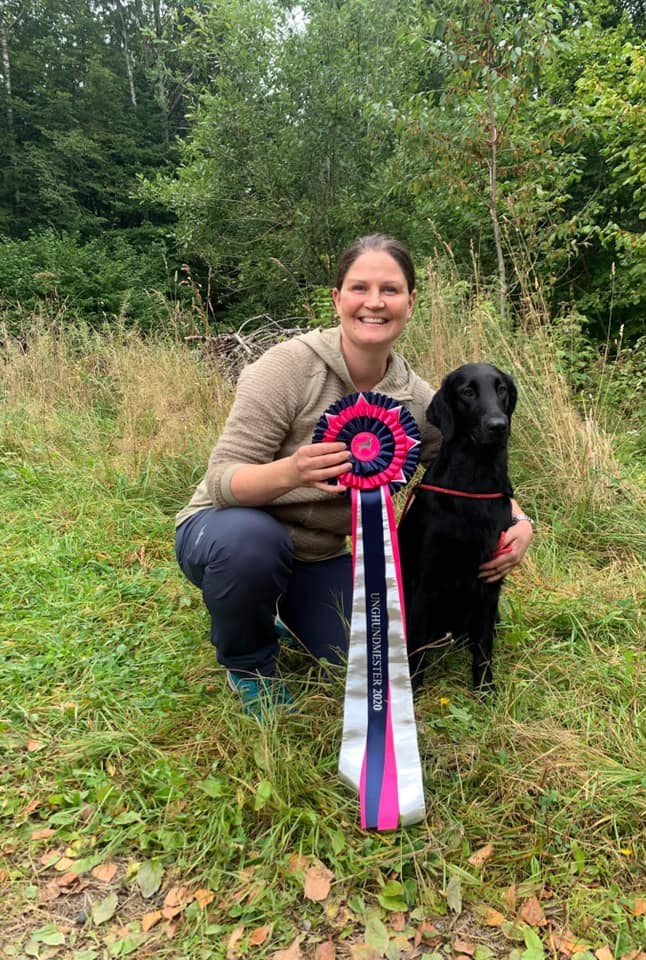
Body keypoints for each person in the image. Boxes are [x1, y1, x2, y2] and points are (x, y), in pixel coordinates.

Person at [174, 234, 533, 711]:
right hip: (227, 530)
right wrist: (292, 471)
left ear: (410, 302)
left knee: (369, 658)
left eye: (391, 290)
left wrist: (520, 521)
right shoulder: (286, 367)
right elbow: (222, 481)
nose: (375, 302)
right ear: (337, 298)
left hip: (319, 556)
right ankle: (249, 664)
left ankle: (280, 608)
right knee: (251, 545)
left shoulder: (417, 400)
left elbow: (461, 468)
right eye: (360, 288)